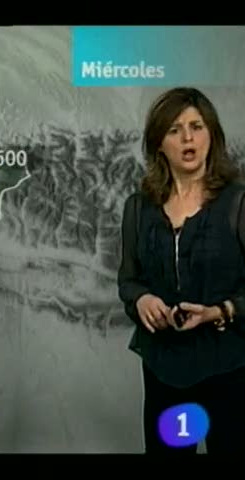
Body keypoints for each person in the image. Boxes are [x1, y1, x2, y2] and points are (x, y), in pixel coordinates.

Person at [117, 86, 245, 454]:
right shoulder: (138, 208)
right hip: (165, 374)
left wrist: (219, 312)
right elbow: (128, 281)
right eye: (175, 130)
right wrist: (142, 300)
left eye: (196, 127)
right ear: (159, 143)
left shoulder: (238, 203)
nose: (188, 138)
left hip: (230, 370)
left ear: (211, 136)